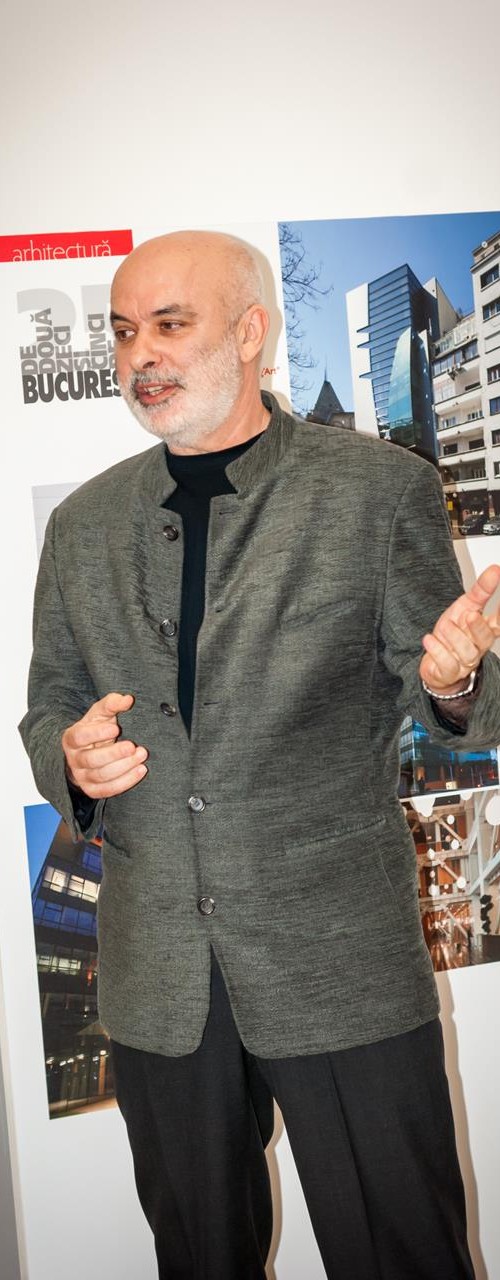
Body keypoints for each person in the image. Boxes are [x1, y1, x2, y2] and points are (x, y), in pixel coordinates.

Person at [20, 230, 500, 1280]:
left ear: (250, 332)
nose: (141, 353)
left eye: (170, 323)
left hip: (340, 961)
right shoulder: (84, 525)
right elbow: (48, 704)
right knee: (199, 1256)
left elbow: (467, 704)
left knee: (405, 1253)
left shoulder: (379, 491)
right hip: (160, 976)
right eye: (124, 331)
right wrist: (71, 759)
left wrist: (456, 679)